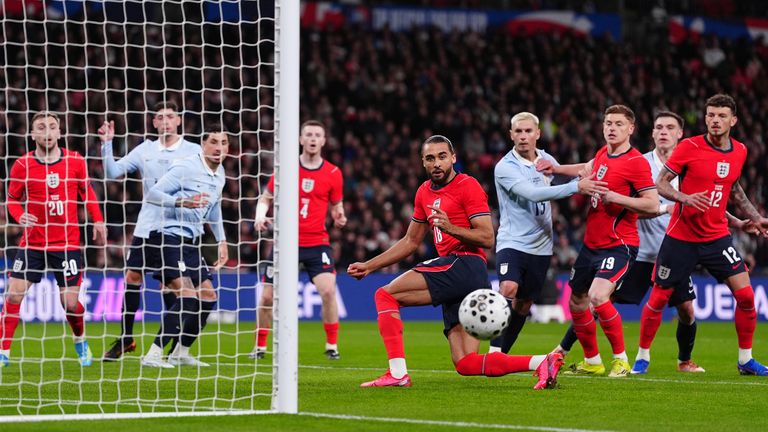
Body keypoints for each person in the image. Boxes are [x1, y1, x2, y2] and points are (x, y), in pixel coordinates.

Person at [348, 135, 563, 390]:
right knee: (466, 363)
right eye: (430, 158)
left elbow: (486, 237)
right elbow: (410, 242)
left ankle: (397, 373)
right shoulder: (423, 192)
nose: (436, 163)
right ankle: (542, 362)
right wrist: (370, 265)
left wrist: (450, 227)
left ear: (453, 158)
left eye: (442, 156)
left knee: (385, 296)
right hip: (462, 275)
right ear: (423, 163)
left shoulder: (467, 186)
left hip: (464, 264)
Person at [640, 94, 768, 376]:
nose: (715, 120)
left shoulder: (740, 151)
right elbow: (660, 183)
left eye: (721, 116)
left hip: (716, 237)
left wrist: (754, 217)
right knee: (659, 299)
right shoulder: (689, 147)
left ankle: (745, 360)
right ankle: (642, 358)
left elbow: (733, 189)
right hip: (681, 237)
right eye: (710, 115)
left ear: (733, 120)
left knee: (746, 296)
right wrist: (684, 198)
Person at [541, 105, 659, 377]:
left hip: (619, 243)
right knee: (577, 302)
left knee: (597, 296)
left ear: (630, 128)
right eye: (608, 122)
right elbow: (587, 168)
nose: (611, 128)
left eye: (618, 123)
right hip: (591, 244)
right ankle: (592, 361)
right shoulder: (603, 153)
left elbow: (652, 205)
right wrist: (556, 168)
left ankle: (621, 360)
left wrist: (617, 198)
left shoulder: (636, 162)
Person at [489, 112, 607, 354]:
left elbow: (563, 174)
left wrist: (586, 172)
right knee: (508, 289)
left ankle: (502, 354)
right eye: (518, 132)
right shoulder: (505, 167)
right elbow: (532, 193)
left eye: (528, 131)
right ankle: (493, 354)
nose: (523, 137)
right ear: (511, 135)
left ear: (538, 134)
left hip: (542, 246)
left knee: (524, 305)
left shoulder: (545, 159)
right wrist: (577, 187)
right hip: (513, 242)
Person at [1, 111, 106, 367]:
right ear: (32, 133)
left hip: (67, 244)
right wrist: (20, 215)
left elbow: (87, 192)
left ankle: (80, 339)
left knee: (69, 303)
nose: (47, 132)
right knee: (13, 295)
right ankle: (3, 352)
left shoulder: (75, 161)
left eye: (51, 127)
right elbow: (12, 199)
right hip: (33, 243)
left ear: (59, 132)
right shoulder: (22, 165)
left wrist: (98, 219)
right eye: (41, 127)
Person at [100, 101, 204, 361]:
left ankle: (170, 347)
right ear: (154, 123)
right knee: (133, 278)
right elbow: (113, 172)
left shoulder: (194, 151)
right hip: (147, 227)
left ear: (179, 120)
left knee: (175, 288)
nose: (166, 121)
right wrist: (107, 143)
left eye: (170, 116)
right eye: (160, 117)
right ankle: (126, 338)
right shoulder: (144, 150)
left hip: (178, 229)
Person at [250, 120, 347, 360]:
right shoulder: (286, 167)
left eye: (317, 135)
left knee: (328, 291)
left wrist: (339, 215)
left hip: (317, 243)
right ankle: (260, 347)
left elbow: (337, 205)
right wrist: (260, 216)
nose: (313, 139)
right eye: (308, 134)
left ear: (323, 141)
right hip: (285, 244)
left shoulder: (333, 173)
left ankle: (332, 346)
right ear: (301, 139)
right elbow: (266, 196)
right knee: (266, 297)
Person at [139, 125, 230, 368]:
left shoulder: (220, 173)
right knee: (188, 296)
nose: (218, 148)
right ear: (203, 143)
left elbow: (215, 209)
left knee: (209, 296)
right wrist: (182, 202)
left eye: (223, 143)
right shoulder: (186, 166)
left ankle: (181, 352)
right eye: (213, 141)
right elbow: (153, 194)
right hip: (167, 237)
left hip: (191, 243)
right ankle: (153, 354)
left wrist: (222, 240)